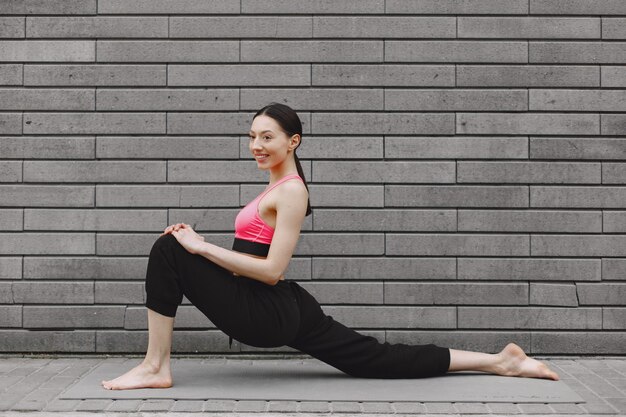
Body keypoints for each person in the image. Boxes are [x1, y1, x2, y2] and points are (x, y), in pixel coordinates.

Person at [102, 103, 559, 390]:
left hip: (268, 306)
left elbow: (270, 270)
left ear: (292, 141)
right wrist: (200, 246)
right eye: (252, 137)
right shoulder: (274, 189)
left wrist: (198, 249)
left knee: (168, 251)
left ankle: (155, 366)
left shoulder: (292, 191)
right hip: (284, 306)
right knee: (374, 357)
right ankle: (501, 361)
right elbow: (251, 259)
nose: (256, 145)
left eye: (267, 137)